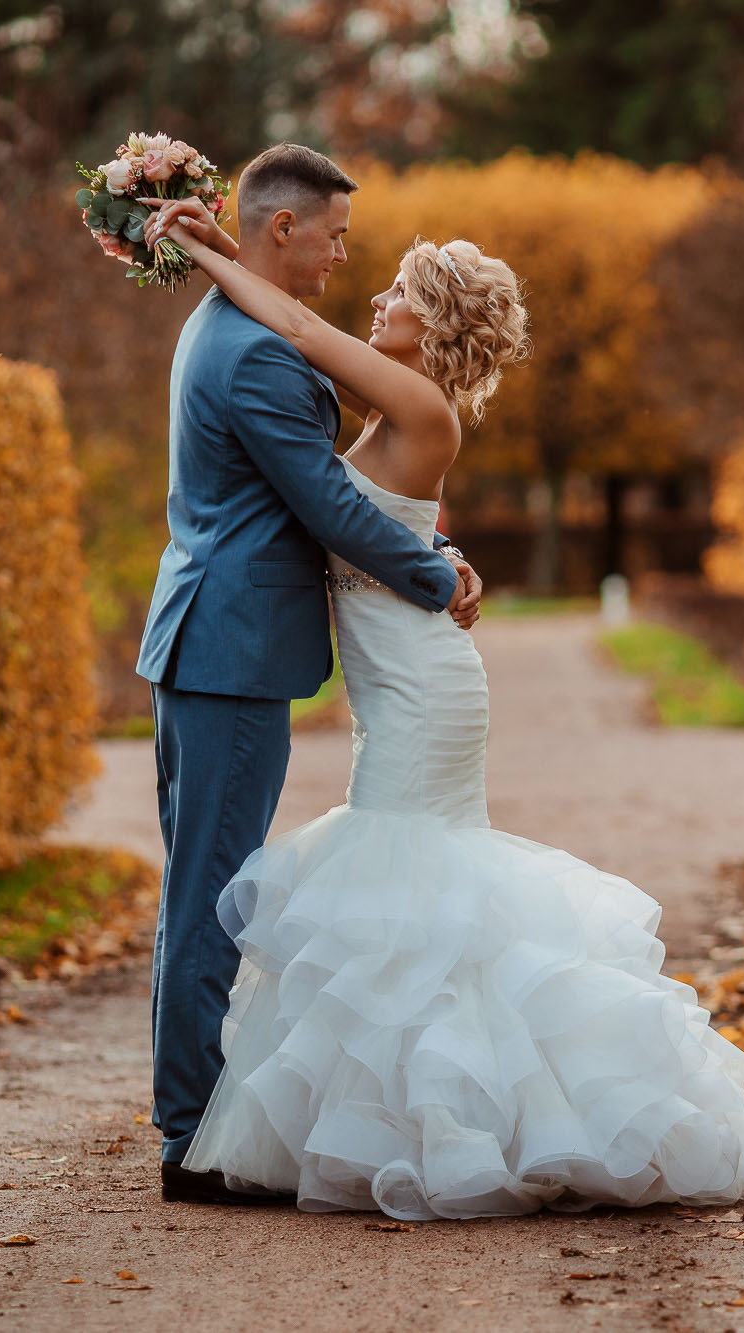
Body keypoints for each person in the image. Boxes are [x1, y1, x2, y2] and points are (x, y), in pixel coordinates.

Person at [142, 167, 744, 1220]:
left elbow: (304, 379)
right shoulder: (372, 382)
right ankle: (320, 1118)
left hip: (417, 681)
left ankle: (439, 1117)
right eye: (350, 249)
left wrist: (206, 251)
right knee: (399, 895)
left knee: (420, 888)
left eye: (397, 289)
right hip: (361, 662)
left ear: (434, 319)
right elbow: (342, 474)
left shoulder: (413, 401)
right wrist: (440, 557)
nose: (368, 291)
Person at [136, 144, 484, 1206]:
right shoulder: (255, 352)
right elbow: (328, 508)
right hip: (229, 649)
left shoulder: (229, 325)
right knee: (209, 892)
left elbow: (353, 496)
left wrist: (430, 545)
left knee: (199, 884)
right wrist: (435, 574)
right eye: (333, 236)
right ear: (277, 228)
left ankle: (189, 1117)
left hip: (209, 639)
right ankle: (192, 1138)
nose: (345, 257)